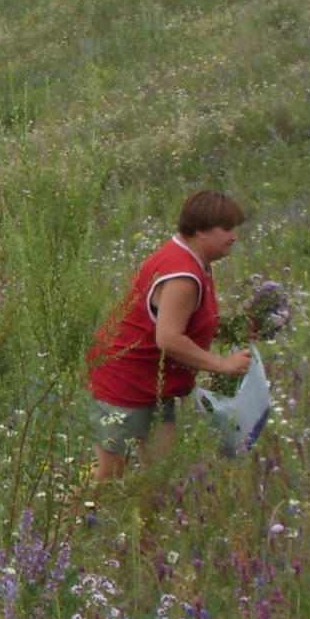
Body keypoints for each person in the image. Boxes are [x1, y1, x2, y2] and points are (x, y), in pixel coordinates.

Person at [86, 188, 254, 483]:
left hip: (155, 385)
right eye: (227, 229)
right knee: (107, 475)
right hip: (125, 383)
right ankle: (66, 514)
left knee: (160, 473)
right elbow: (169, 339)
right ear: (201, 230)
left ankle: (144, 516)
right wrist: (221, 364)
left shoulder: (194, 260)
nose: (234, 237)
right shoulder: (182, 275)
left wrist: (236, 327)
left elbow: (189, 319)